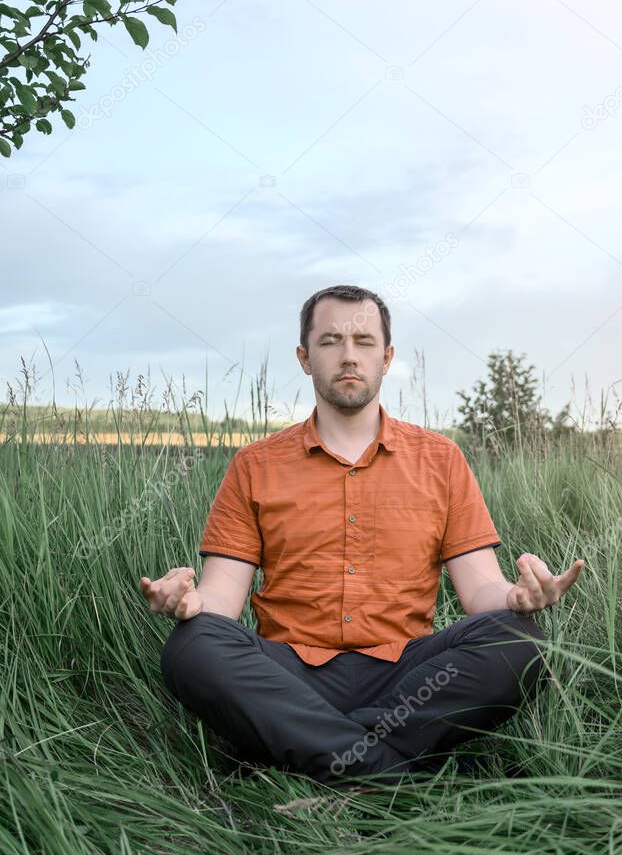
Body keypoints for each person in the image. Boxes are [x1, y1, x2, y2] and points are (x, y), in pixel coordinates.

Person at [140, 284, 584, 788]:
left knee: (519, 639)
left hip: (409, 679)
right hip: (287, 676)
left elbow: (480, 589)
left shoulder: (441, 460)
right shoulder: (254, 465)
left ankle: (312, 757)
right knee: (192, 645)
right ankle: (407, 774)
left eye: (364, 341)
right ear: (305, 358)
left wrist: (516, 597)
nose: (349, 355)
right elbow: (223, 597)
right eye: (330, 341)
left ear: (387, 357)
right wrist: (190, 604)